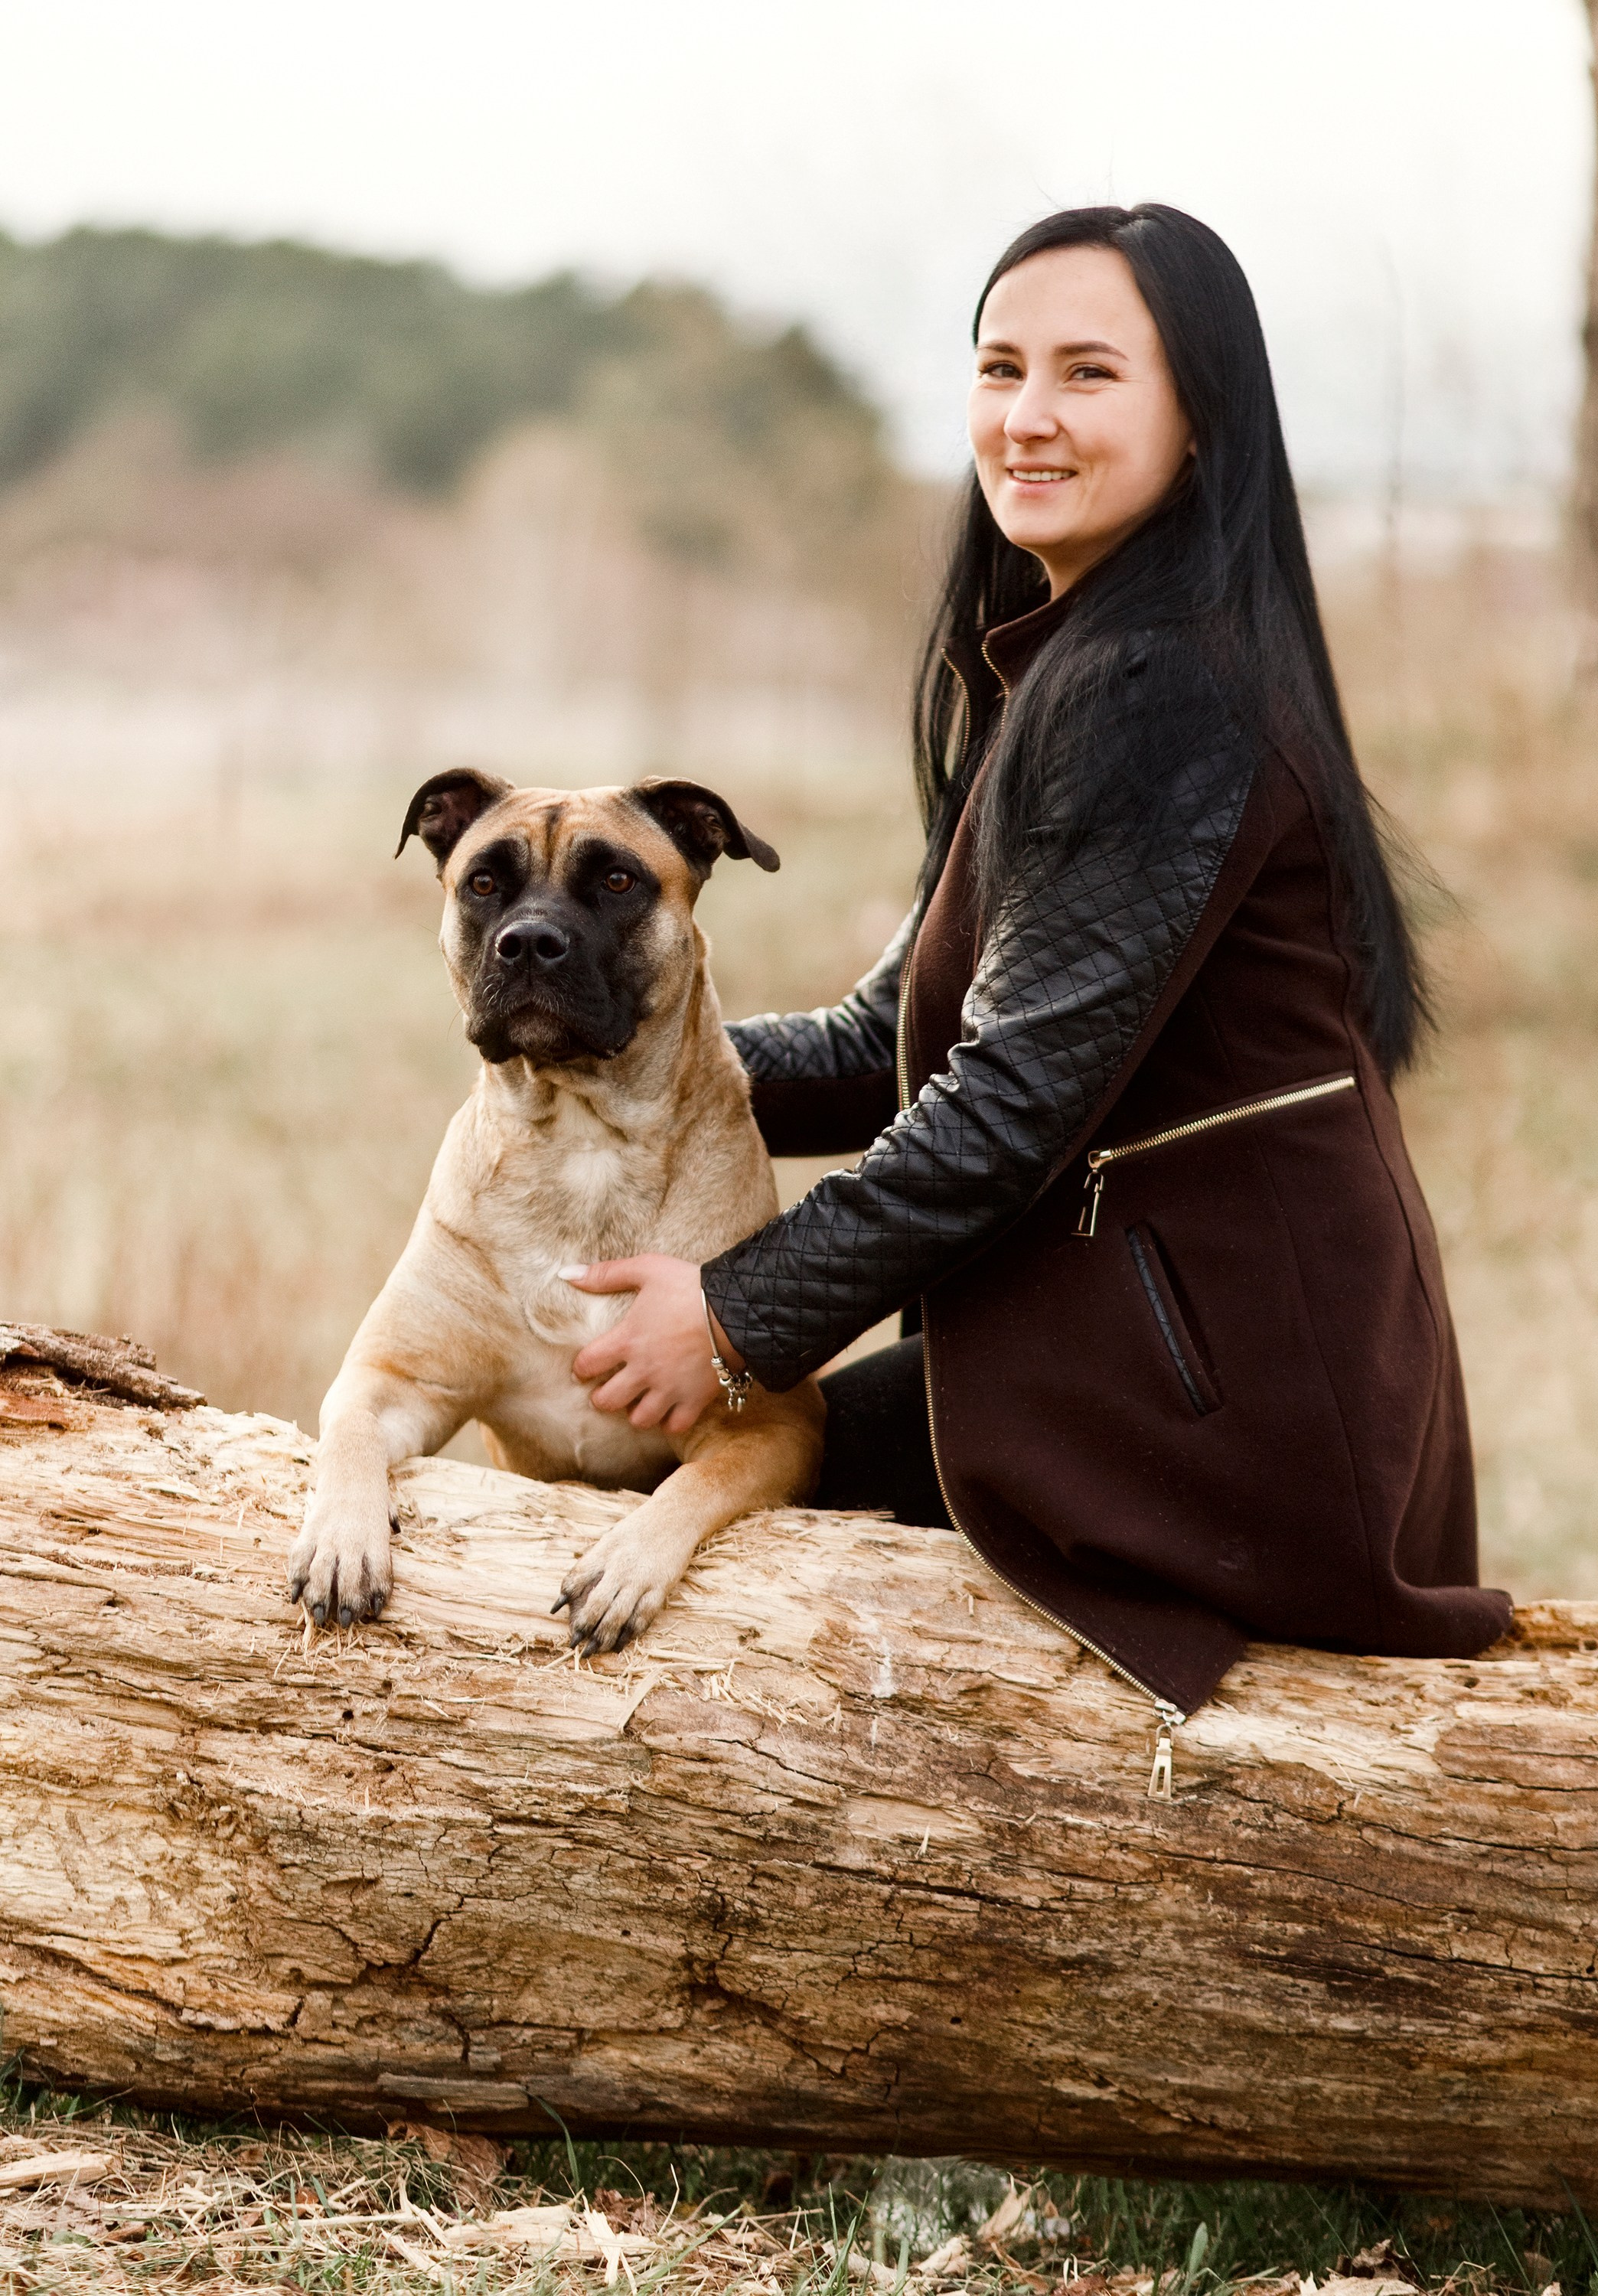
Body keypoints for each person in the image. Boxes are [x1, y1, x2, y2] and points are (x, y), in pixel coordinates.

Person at [563, 204, 1512, 1757]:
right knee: (657, 1470)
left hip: (1227, 1415)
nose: (1028, 417)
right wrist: (587, 1042)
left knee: (686, 1478)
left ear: (1199, 419)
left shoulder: (1161, 688)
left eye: (1088, 374)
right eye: (1000, 367)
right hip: (1146, 1361)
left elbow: (1002, 1104)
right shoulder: (1069, 663)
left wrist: (735, 1319)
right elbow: (897, 1040)